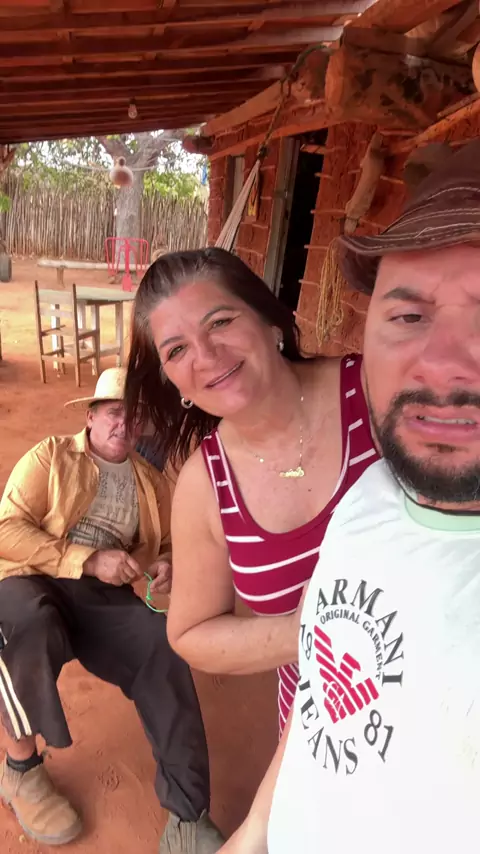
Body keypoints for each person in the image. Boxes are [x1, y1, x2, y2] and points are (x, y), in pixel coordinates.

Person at [219, 139, 480, 853]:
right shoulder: (373, 490)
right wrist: (253, 832)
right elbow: (325, 696)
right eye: (409, 316)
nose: (440, 365)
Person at [124, 248, 378, 734]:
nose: (206, 356)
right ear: (174, 383)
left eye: (219, 322)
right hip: (321, 734)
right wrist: (303, 631)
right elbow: (191, 632)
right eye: (176, 351)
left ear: (269, 321)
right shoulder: (206, 485)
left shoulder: (372, 394)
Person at [0, 367, 223, 854]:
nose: (124, 423)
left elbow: (167, 544)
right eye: (113, 412)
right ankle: (20, 769)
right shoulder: (51, 456)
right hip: (33, 577)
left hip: (103, 596)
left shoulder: (151, 482)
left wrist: (165, 564)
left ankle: (188, 815)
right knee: (23, 624)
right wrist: (87, 559)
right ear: (91, 416)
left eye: (134, 415)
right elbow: (6, 529)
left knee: (161, 645)